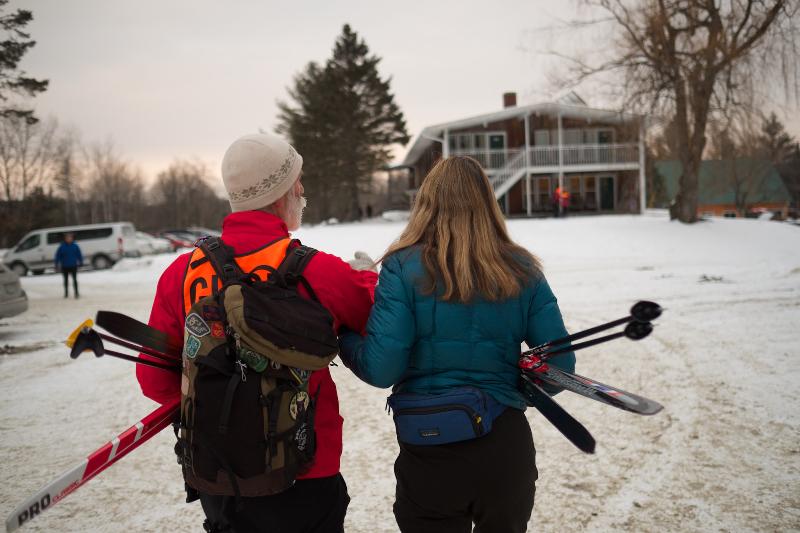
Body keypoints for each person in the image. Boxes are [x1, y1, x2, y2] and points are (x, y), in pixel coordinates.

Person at [136, 133, 378, 533]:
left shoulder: (181, 274)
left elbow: (153, 378)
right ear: (283, 193)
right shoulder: (320, 271)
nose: (302, 190)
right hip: (305, 472)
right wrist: (366, 277)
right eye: (298, 181)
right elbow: (374, 318)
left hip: (220, 475)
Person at [338, 156, 576, 533]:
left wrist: (345, 337)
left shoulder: (401, 266)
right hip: (505, 447)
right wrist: (514, 379)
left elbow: (382, 368)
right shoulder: (522, 268)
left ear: (426, 203)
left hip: (430, 447)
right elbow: (559, 370)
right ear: (487, 202)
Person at [54, 233, 83, 298]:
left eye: (70, 238)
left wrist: (81, 262)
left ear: (72, 239)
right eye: (67, 238)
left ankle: (76, 293)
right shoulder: (62, 247)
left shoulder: (75, 246)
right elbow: (57, 256)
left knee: (75, 280)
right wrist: (56, 264)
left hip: (73, 265)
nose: (69, 239)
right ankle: (66, 293)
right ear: (65, 239)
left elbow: (79, 254)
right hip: (65, 266)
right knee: (66, 280)